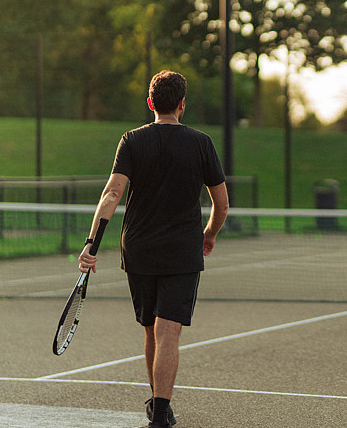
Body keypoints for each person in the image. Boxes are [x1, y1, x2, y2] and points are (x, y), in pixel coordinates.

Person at [78, 70, 229, 428]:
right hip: (182, 250)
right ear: (182, 105)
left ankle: (158, 406)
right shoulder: (201, 142)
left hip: (139, 249)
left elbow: (112, 194)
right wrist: (209, 234)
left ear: (150, 103)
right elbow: (221, 204)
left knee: (151, 329)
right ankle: (160, 413)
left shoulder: (131, 140)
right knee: (168, 332)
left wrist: (91, 244)